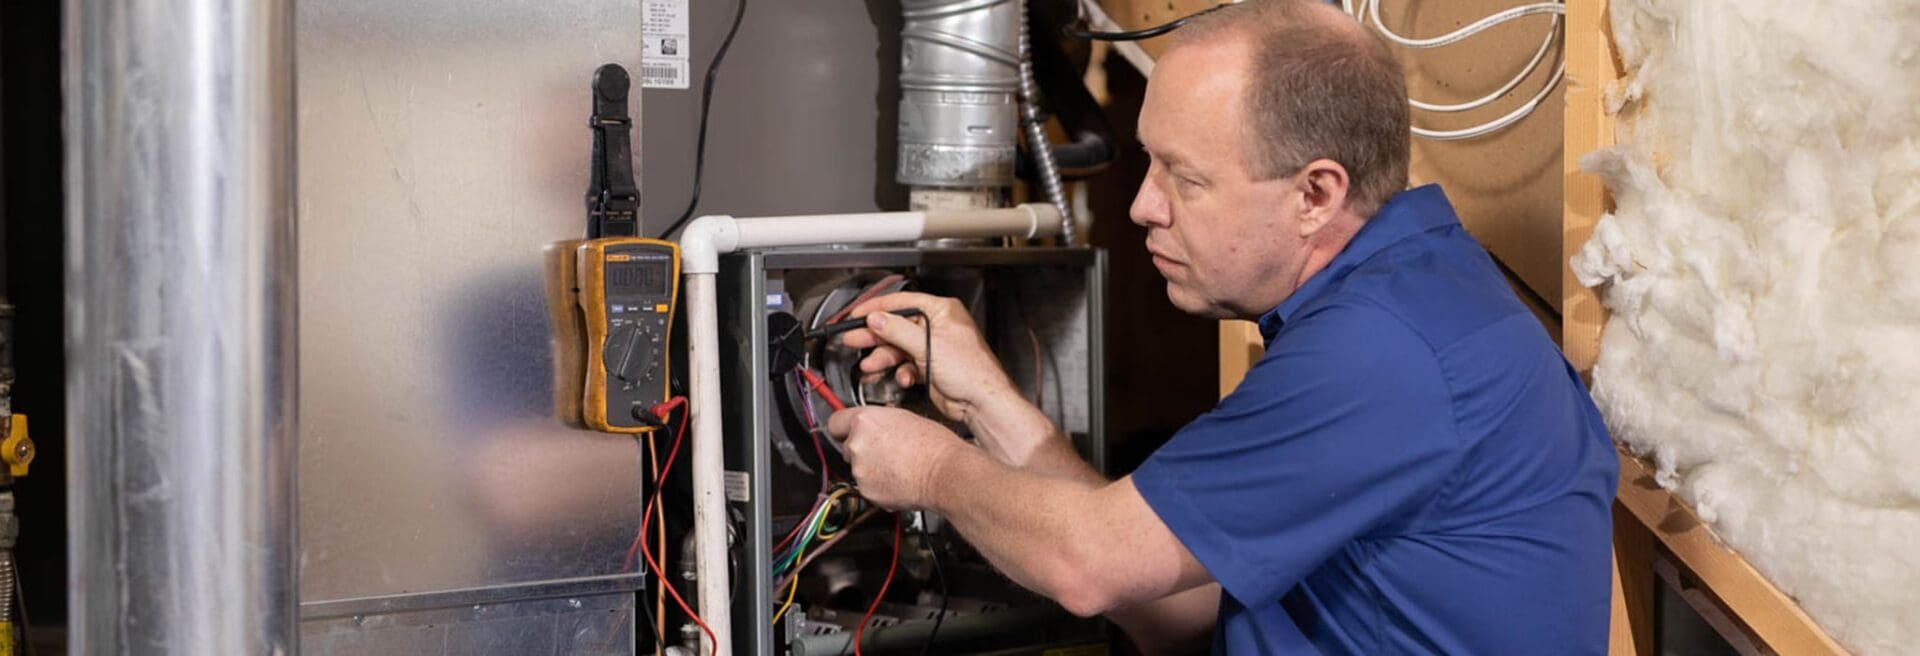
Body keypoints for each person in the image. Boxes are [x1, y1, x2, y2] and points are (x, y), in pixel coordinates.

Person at [825, 1, 1618, 653]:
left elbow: (1089, 567)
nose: (1143, 206)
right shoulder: (1406, 297)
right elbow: (1167, 603)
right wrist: (985, 403)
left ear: (1316, 195)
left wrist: (932, 470)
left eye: (1187, 178)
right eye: (1150, 163)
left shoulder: (1382, 352)